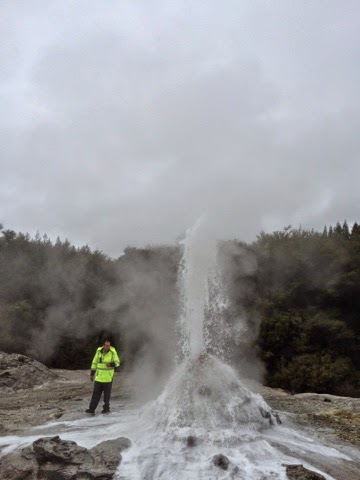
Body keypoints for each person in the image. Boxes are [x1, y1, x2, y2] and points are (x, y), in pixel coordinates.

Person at [85, 339, 120, 415]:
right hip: (98, 378)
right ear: (103, 345)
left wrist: (111, 364)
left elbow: (117, 363)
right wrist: (92, 374)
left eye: (109, 345)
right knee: (95, 394)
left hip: (108, 378)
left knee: (106, 396)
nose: (108, 347)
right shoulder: (98, 352)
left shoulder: (112, 352)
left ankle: (106, 409)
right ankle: (91, 409)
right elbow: (94, 363)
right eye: (106, 345)